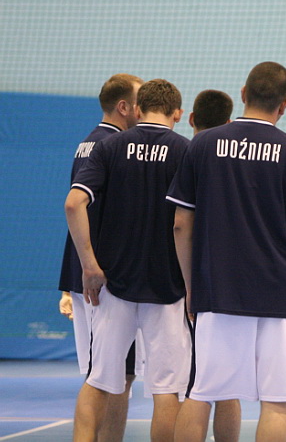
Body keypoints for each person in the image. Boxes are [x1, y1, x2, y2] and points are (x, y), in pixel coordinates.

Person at [168, 62, 286, 442]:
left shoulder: (203, 146)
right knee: (276, 401)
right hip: (281, 296)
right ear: (285, 104)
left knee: (201, 392)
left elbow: (180, 225)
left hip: (218, 291)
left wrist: (192, 286)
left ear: (243, 93)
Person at [65, 79, 192, 442]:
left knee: (99, 380)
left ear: (138, 109)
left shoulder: (110, 146)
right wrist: (192, 285)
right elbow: (183, 224)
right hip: (166, 287)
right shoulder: (185, 151)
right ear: (177, 113)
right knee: (166, 389)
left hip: (114, 285)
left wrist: (89, 266)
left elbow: (74, 203)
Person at [58, 73, 142, 442]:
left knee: (116, 375)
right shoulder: (112, 146)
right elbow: (76, 206)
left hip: (90, 271)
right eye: (140, 103)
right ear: (124, 107)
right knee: (106, 375)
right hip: (101, 276)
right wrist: (91, 266)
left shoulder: (89, 142)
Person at [187, 89, 241, 442]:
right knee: (226, 382)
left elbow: (180, 225)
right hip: (226, 283)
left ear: (191, 118)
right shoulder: (232, 164)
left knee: (196, 385)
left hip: (186, 285)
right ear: (228, 122)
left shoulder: (188, 154)